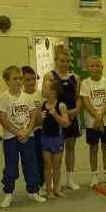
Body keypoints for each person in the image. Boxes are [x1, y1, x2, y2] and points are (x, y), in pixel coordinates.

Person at [0, 66, 46, 207]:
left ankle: (33, 191)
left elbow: (33, 116)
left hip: (28, 135)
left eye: (20, 78)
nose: (18, 81)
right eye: (15, 78)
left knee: (31, 163)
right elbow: (3, 119)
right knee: (11, 166)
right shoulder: (3, 98)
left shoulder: (27, 97)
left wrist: (27, 130)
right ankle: (8, 193)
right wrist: (17, 131)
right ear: (7, 81)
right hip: (10, 137)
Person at [43, 46, 82, 190]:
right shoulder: (50, 76)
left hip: (71, 117)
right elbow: (44, 95)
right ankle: (54, 182)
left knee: (71, 149)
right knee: (55, 152)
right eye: (61, 61)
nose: (64, 64)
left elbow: (78, 98)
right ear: (56, 61)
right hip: (56, 118)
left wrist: (77, 110)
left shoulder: (75, 78)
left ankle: (70, 179)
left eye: (67, 61)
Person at [80, 55, 106, 186]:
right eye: (92, 66)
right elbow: (86, 102)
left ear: (102, 67)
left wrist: (100, 116)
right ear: (88, 68)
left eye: (97, 65)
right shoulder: (85, 83)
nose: (95, 68)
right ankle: (94, 175)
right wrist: (96, 117)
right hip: (92, 123)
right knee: (93, 148)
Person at [39, 79, 70, 198]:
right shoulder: (43, 104)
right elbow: (38, 122)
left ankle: (56, 188)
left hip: (57, 139)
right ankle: (49, 190)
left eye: (45, 88)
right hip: (45, 138)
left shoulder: (61, 105)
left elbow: (66, 123)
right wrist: (40, 118)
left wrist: (55, 115)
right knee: (47, 166)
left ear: (53, 92)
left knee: (56, 166)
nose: (43, 90)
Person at [21, 66, 47, 194]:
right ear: (22, 81)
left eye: (33, 79)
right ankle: (32, 185)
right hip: (29, 132)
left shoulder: (40, 94)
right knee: (31, 160)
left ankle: (42, 183)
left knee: (43, 159)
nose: (31, 82)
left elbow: (44, 113)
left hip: (41, 131)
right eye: (27, 80)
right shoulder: (21, 97)